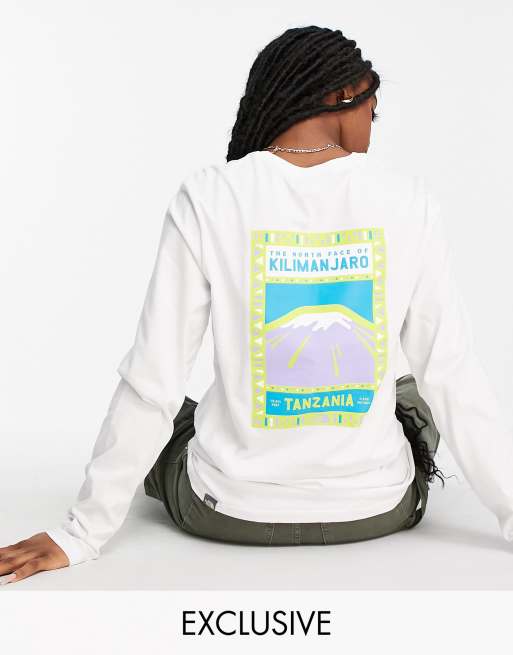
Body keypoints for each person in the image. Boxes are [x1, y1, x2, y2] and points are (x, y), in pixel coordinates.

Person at [2, 25, 513, 586]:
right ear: (343, 95)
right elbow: (452, 374)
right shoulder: (409, 201)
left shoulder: (210, 196)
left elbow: (153, 378)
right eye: (373, 106)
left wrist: (82, 533)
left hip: (226, 513)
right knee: (410, 394)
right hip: (376, 510)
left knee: (175, 418)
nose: (373, 122)